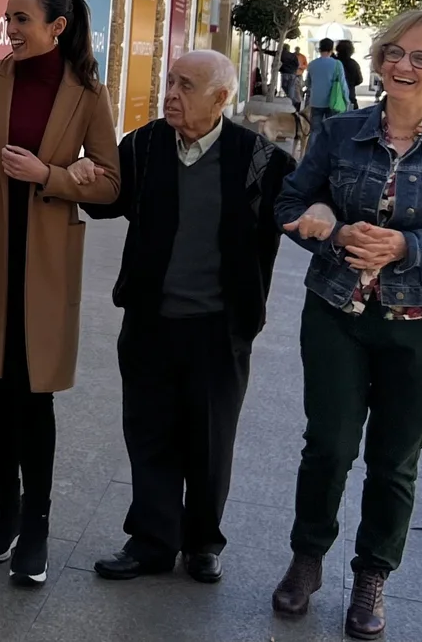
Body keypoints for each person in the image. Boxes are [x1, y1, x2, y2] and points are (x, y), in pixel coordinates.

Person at [271, 10, 422, 641]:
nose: (402, 66)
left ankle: (373, 573)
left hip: (420, 324)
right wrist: (334, 229)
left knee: (395, 459)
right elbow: (290, 204)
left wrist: (406, 249)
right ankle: (307, 558)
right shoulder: (341, 132)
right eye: (393, 53)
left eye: (421, 58)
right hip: (335, 314)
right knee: (328, 445)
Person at [83, 51, 295, 585]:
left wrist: (325, 216)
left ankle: (202, 541)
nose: (170, 94)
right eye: (170, 82)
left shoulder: (259, 161)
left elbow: (300, 208)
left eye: (186, 85)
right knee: (149, 433)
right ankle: (153, 540)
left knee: (209, 438)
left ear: (221, 99)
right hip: (150, 319)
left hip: (220, 327)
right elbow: (110, 202)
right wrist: (84, 175)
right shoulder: (146, 145)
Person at [0, 0, 120, 587]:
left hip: (43, 264)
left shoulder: (89, 95)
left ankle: (36, 523)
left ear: (57, 27)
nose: (10, 28)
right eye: (7, 18)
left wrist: (51, 175)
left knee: (33, 393)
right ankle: (5, 509)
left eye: (21, 18)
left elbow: (111, 186)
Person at [304, 38, 350, 132]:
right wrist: (347, 100)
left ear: (320, 49)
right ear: (331, 49)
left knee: (315, 131)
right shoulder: (337, 64)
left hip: (315, 101)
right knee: (331, 131)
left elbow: (308, 83)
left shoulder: (312, 64)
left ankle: (315, 146)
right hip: (332, 102)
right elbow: (342, 84)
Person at [337, 40, 364, 109]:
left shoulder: (333, 62)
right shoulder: (353, 64)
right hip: (350, 95)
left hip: (334, 96)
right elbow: (359, 80)